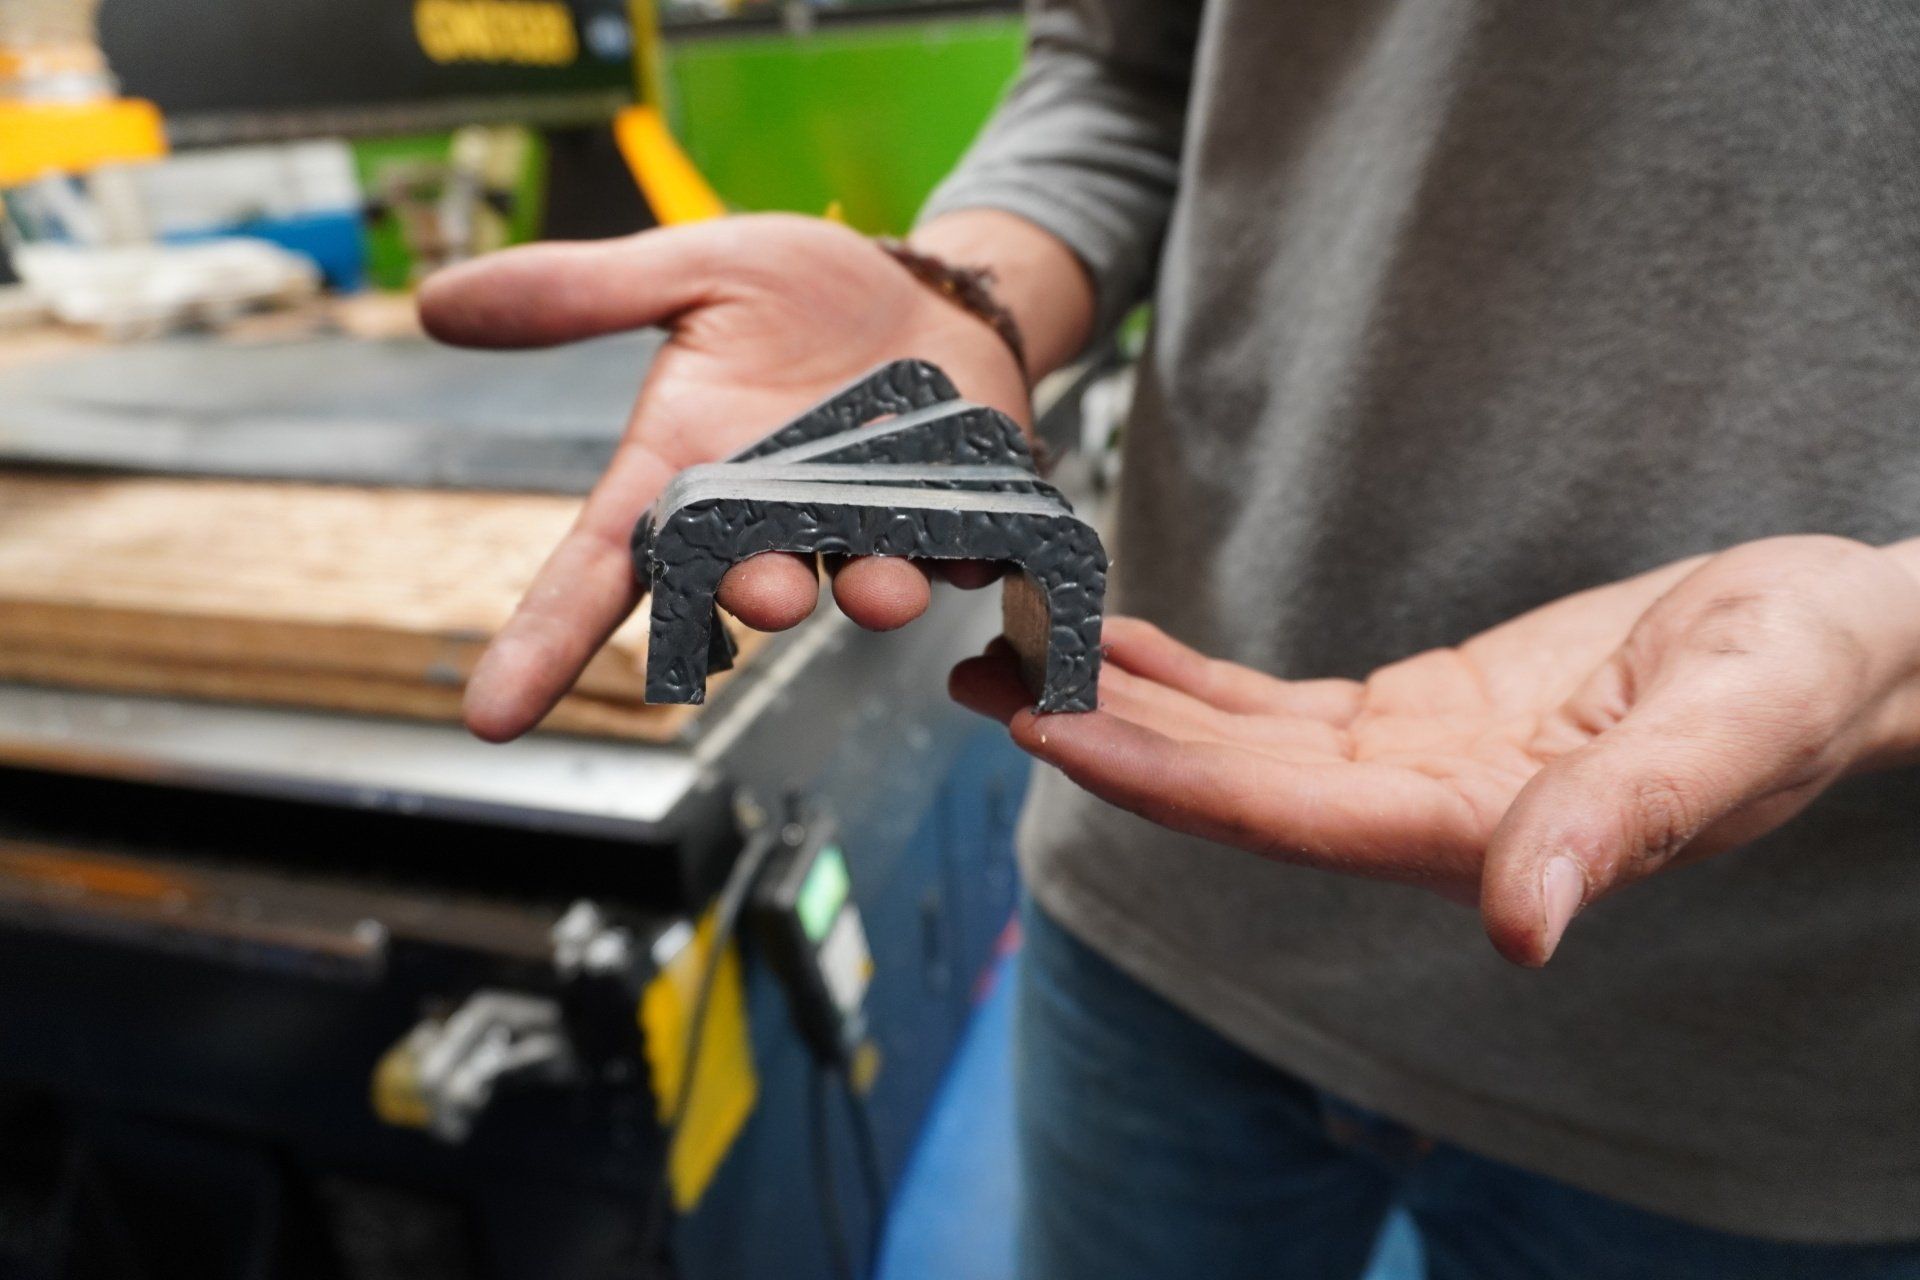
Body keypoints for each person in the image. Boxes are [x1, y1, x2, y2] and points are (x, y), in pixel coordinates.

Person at [418, 1, 1920, 1274]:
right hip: (1161, 895)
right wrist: (965, 294)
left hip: (1766, 1062)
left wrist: (1892, 632)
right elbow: (1119, 69)